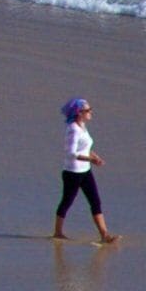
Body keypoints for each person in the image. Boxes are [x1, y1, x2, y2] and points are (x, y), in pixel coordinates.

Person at [54, 98, 114, 244]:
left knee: (95, 201)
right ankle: (58, 232)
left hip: (85, 171)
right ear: (79, 113)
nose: (90, 112)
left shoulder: (83, 127)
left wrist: (94, 156)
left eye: (90, 109)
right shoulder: (73, 130)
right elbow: (71, 153)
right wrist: (91, 159)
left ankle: (104, 235)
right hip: (72, 172)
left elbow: (85, 148)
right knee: (67, 201)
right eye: (87, 110)